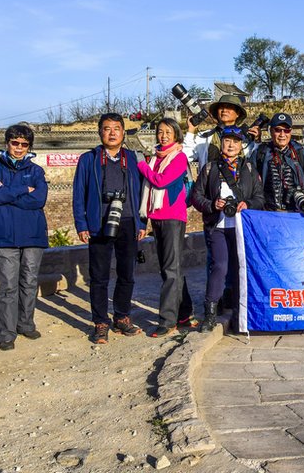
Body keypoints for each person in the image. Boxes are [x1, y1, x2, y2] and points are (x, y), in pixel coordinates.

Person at [73, 113, 147, 344]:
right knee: (99, 277)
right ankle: (100, 322)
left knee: (127, 274)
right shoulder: (89, 160)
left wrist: (141, 222)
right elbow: (78, 194)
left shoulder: (134, 159)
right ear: (100, 133)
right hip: (99, 223)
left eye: (117, 128)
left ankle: (122, 317)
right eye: (107, 129)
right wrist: (82, 224)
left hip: (128, 222)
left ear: (124, 133)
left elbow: (142, 192)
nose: (112, 133)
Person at [190, 126, 264, 332]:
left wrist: (248, 204)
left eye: (236, 141)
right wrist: (212, 204)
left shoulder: (248, 168)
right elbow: (196, 196)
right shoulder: (210, 168)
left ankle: (242, 314)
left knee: (241, 269)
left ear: (241, 146)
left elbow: (260, 197)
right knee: (220, 266)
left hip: (241, 227)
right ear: (221, 142)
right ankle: (210, 314)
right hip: (218, 226)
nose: (231, 145)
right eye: (227, 141)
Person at [0, 124, 49, 351]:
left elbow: (39, 199)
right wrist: (24, 189)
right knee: (8, 286)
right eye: (15, 143)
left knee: (29, 282)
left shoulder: (37, 171)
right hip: (4, 235)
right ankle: (6, 332)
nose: (19, 148)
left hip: (32, 234)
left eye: (24, 144)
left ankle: (25, 323)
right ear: (7, 143)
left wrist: (9, 191)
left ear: (29, 146)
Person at [137, 118, 196, 337]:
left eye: (168, 132)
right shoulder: (155, 158)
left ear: (176, 135)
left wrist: (142, 166)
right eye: (160, 132)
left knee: (170, 269)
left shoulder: (178, 158)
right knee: (170, 268)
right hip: (156, 216)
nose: (163, 136)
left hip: (172, 217)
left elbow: (161, 181)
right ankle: (184, 313)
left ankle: (167, 319)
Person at [249, 113, 304, 213]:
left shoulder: (300, 153)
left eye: (286, 130)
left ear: (290, 132)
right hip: (268, 213)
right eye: (278, 130)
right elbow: (250, 184)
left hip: (295, 214)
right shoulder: (260, 154)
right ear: (270, 130)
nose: (282, 134)